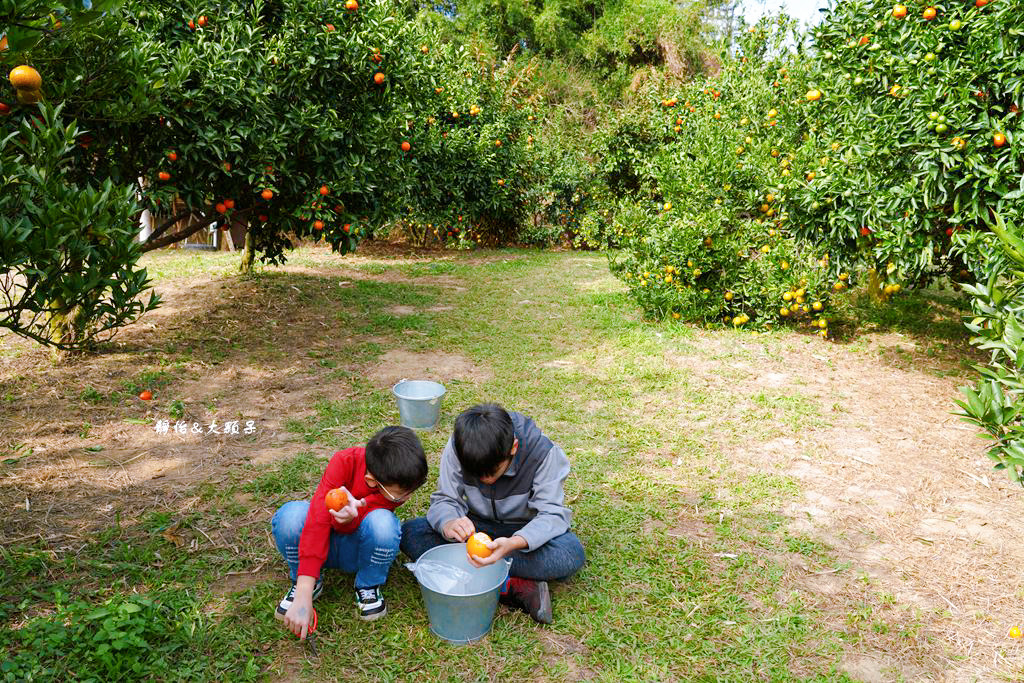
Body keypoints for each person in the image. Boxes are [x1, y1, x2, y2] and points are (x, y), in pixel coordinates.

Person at [400, 403, 585, 624]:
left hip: (522, 532)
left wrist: (515, 542)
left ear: (513, 448)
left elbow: (551, 515)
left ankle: (479, 573)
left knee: (570, 553)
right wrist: (449, 522)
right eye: (476, 474)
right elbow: (445, 499)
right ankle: (514, 585)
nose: (485, 480)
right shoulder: (460, 446)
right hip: (475, 529)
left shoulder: (544, 454)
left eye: (492, 472)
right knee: (410, 533)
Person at [271, 426, 428, 639]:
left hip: (358, 550)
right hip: (322, 546)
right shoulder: (344, 462)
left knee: (384, 524)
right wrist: (304, 592)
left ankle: (368, 584)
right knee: (291, 517)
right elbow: (317, 519)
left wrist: (355, 515)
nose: (407, 498)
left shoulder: (391, 483)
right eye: (401, 494)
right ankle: (306, 581)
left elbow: (369, 516)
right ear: (373, 480)